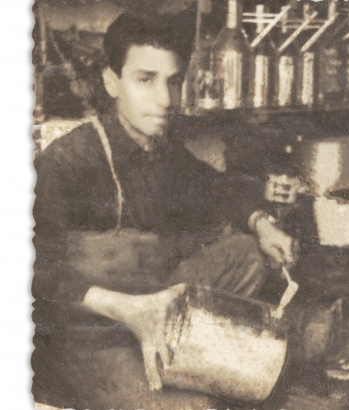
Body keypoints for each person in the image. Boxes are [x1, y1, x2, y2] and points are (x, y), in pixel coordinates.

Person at [32, 12, 296, 409]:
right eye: (145, 79)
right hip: (89, 337)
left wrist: (263, 223)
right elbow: (29, 270)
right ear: (112, 82)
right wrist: (129, 310)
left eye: (173, 81)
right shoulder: (67, 161)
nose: (165, 100)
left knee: (245, 255)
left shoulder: (162, 151)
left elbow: (217, 188)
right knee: (196, 407)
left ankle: (187, 359)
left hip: (155, 302)